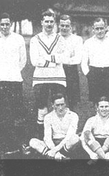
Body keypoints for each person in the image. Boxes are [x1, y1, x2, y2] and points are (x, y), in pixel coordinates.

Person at [30, 9, 71, 138]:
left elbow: (65, 57)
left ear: (55, 23)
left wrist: (46, 58)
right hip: (40, 78)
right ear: (42, 22)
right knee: (41, 108)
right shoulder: (35, 39)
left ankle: (57, 136)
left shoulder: (60, 38)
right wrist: (54, 60)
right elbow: (34, 61)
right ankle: (41, 136)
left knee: (58, 107)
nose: (49, 24)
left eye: (51, 22)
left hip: (58, 77)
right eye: (46, 21)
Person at [81, 17, 109, 113]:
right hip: (95, 74)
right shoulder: (88, 43)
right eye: (97, 29)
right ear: (93, 29)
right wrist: (88, 74)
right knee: (97, 102)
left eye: (101, 28)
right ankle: (98, 125)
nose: (99, 31)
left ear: (106, 28)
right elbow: (84, 62)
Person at [0, 12, 27, 152]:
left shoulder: (18, 39)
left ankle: (16, 143)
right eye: (2, 24)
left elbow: (23, 60)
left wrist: (13, 71)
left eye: (7, 24)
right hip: (1, 81)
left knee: (16, 112)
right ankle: (4, 143)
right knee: (3, 112)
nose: (5, 27)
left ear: (10, 24)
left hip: (15, 80)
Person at [29, 93, 80, 160]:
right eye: (57, 105)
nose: (60, 108)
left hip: (66, 144)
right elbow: (47, 137)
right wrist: (54, 151)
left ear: (65, 104)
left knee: (75, 138)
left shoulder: (73, 115)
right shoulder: (48, 117)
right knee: (32, 141)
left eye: (62, 104)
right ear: (52, 105)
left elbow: (69, 136)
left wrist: (55, 150)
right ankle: (60, 156)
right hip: (53, 143)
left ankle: (57, 155)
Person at [59, 14, 83, 111]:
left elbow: (77, 58)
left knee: (73, 100)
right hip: (57, 70)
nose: (64, 28)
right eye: (62, 25)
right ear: (59, 25)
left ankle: (73, 122)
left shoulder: (77, 39)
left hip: (71, 71)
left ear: (71, 27)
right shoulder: (54, 38)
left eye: (67, 26)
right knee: (58, 99)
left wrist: (61, 59)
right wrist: (68, 58)